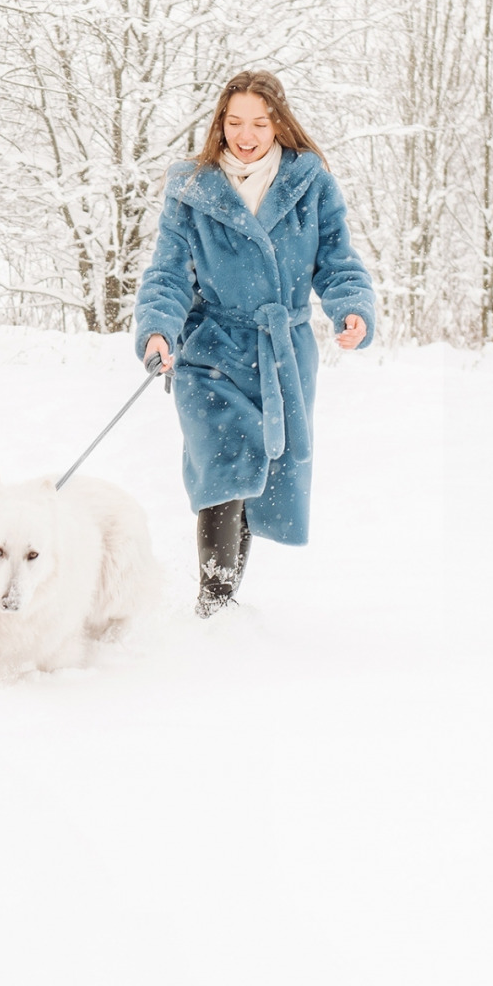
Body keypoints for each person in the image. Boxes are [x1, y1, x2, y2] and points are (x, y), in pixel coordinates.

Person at [133, 70, 375, 618]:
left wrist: (352, 309)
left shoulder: (309, 183)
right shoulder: (191, 187)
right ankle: (213, 607)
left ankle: (223, 605)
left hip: (281, 353)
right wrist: (157, 330)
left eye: (259, 123)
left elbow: (337, 262)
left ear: (278, 124)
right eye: (235, 121)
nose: (246, 135)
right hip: (211, 351)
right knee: (224, 469)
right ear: (220, 122)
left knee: (256, 481)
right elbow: (168, 273)